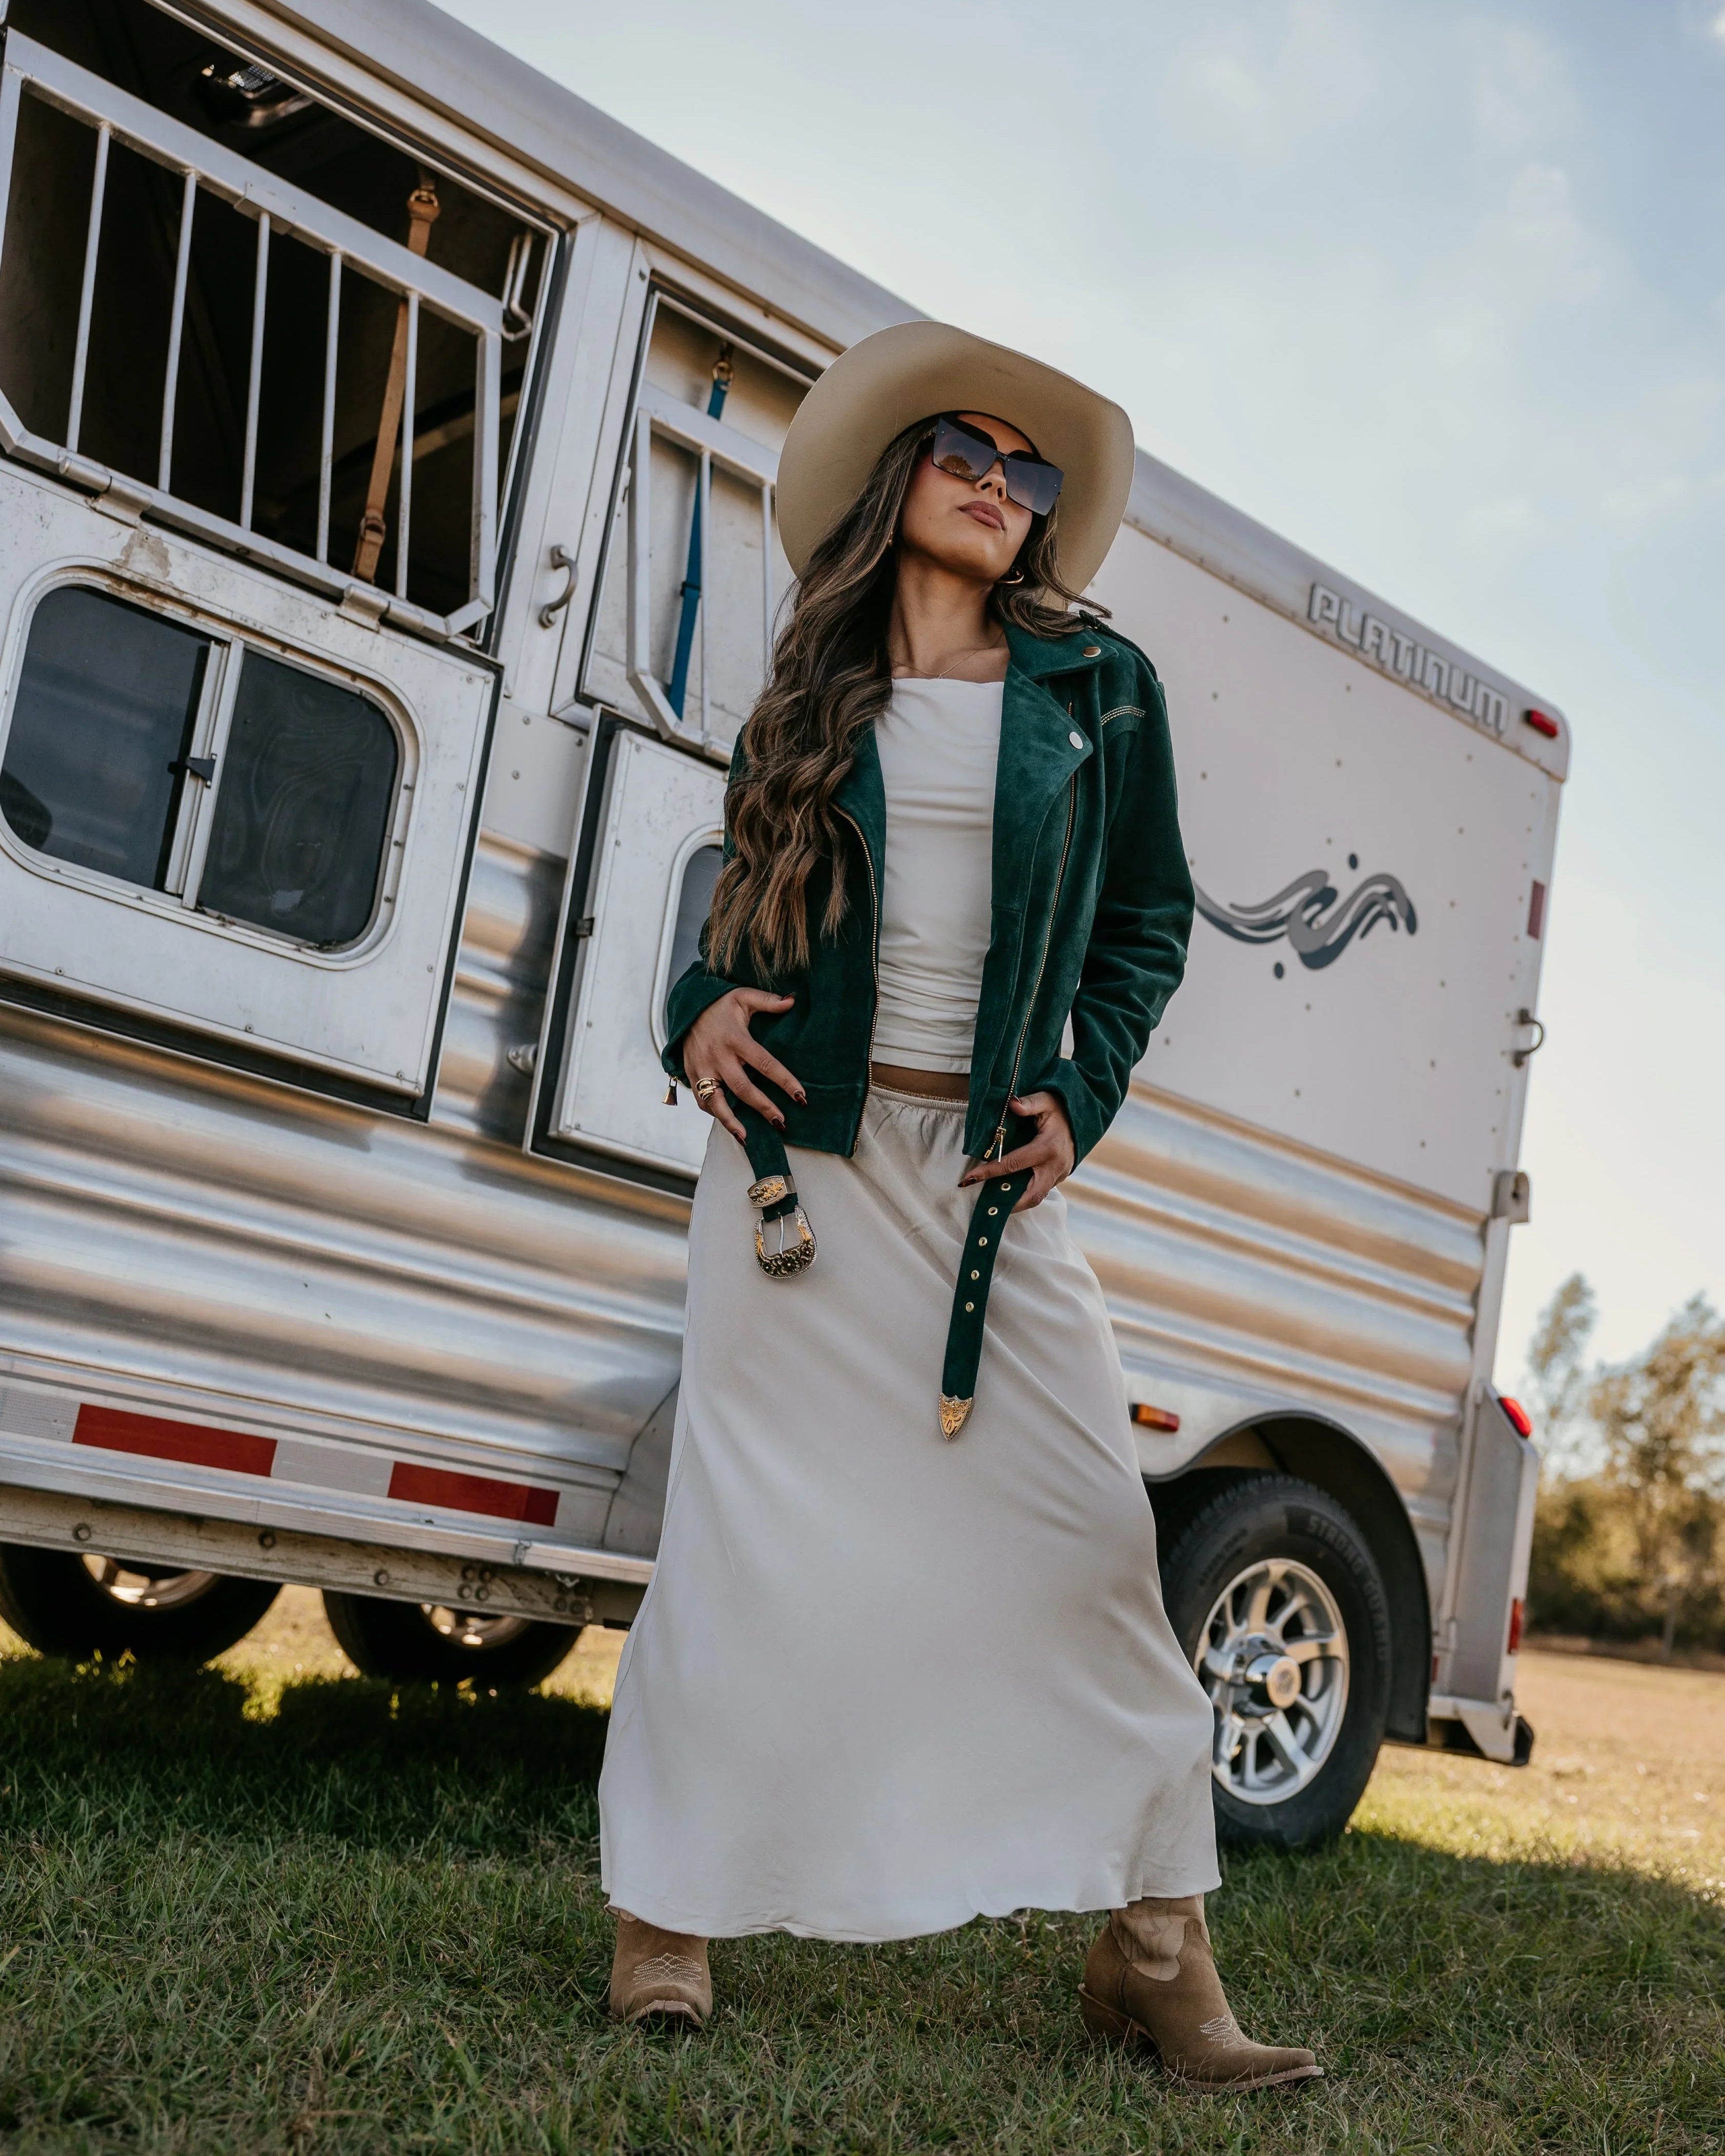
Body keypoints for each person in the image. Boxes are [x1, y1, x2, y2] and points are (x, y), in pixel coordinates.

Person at [597, 321, 1319, 2093]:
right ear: (902, 477)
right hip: (796, 1181)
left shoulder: (1101, 688)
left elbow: (1150, 919)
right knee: (743, 1560)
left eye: (1031, 471)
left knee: (1092, 1543)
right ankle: (667, 1916)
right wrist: (686, 1011)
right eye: (967, 454)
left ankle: (1153, 1957)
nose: (1001, 485)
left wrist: (1082, 1091)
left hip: (982, 1191)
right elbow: (729, 902)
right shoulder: (811, 683)